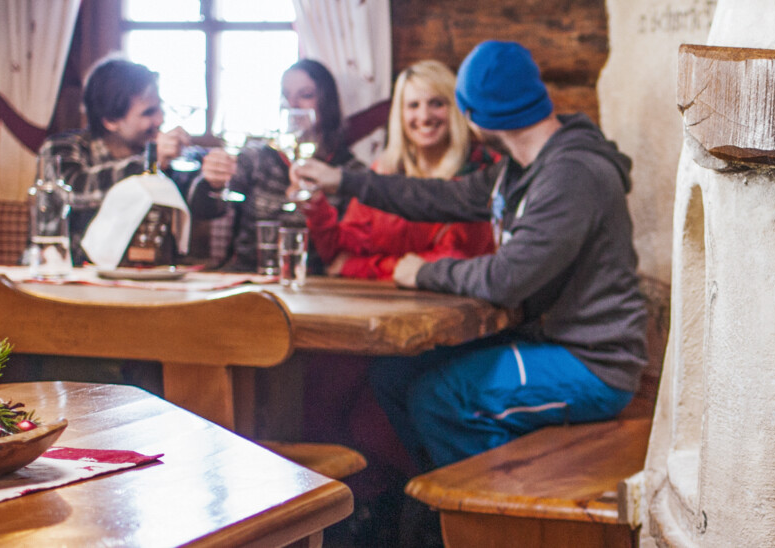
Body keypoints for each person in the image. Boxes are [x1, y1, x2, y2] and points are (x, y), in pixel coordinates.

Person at [291, 41, 643, 470]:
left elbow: (505, 279)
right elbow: (436, 197)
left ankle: (489, 519)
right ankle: (432, 508)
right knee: (393, 374)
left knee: (441, 398)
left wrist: (422, 272)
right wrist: (344, 181)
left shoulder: (570, 173)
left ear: (474, 115)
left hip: (591, 362)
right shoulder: (523, 168)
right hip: (547, 341)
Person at [301, 60, 497, 279]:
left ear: (455, 109)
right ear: (399, 114)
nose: (424, 116)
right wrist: (316, 208)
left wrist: (359, 267)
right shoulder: (384, 171)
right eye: (413, 105)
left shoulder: (474, 174)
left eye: (437, 103)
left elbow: (449, 263)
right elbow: (340, 251)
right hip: (382, 306)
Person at [189, 59, 363, 271]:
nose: (292, 104)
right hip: (248, 276)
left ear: (327, 103)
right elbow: (205, 208)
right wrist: (212, 183)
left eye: (305, 95)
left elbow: (351, 243)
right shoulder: (256, 159)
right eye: (285, 95)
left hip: (315, 282)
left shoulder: (349, 171)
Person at [38, 58, 189, 240]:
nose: (160, 120)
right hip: (63, 266)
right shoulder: (61, 148)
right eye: (148, 112)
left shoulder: (155, 153)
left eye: (160, 108)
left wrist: (212, 182)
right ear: (110, 121)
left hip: (139, 267)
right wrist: (149, 163)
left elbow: (193, 201)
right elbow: (74, 191)